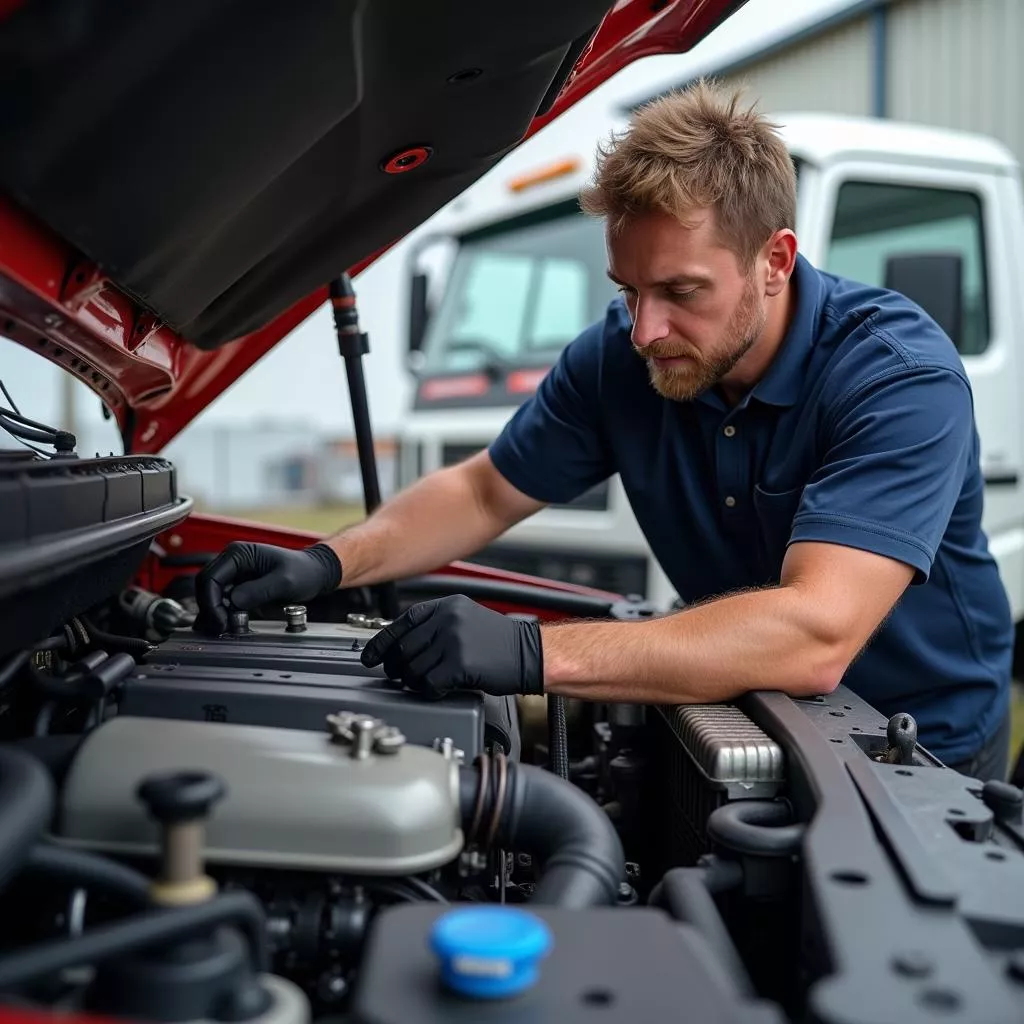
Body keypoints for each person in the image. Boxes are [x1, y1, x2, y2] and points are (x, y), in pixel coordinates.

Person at [195, 81, 1014, 782]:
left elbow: (815, 634)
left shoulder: (896, 376)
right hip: (735, 714)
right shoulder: (617, 361)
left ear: (775, 260)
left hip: (913, 755)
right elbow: (482, 491)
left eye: (680, 291)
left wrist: (530, 653)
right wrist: (329, 562)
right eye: (628, 289)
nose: (645, 330)